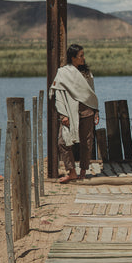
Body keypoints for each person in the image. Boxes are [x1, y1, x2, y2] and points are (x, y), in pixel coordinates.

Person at [49, 44, 99, 183]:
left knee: (86, 143)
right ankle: (71, 171)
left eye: (83, 55)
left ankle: (83, 170)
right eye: (81, 56)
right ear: (73, 58)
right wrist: (63, 115)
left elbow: (92, 94)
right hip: (69, 112)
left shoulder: (86, 74)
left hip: (87, 111)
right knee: (63, 141)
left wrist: (96, 111)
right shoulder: (63, 73)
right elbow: (58, 95)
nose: (83, 58)